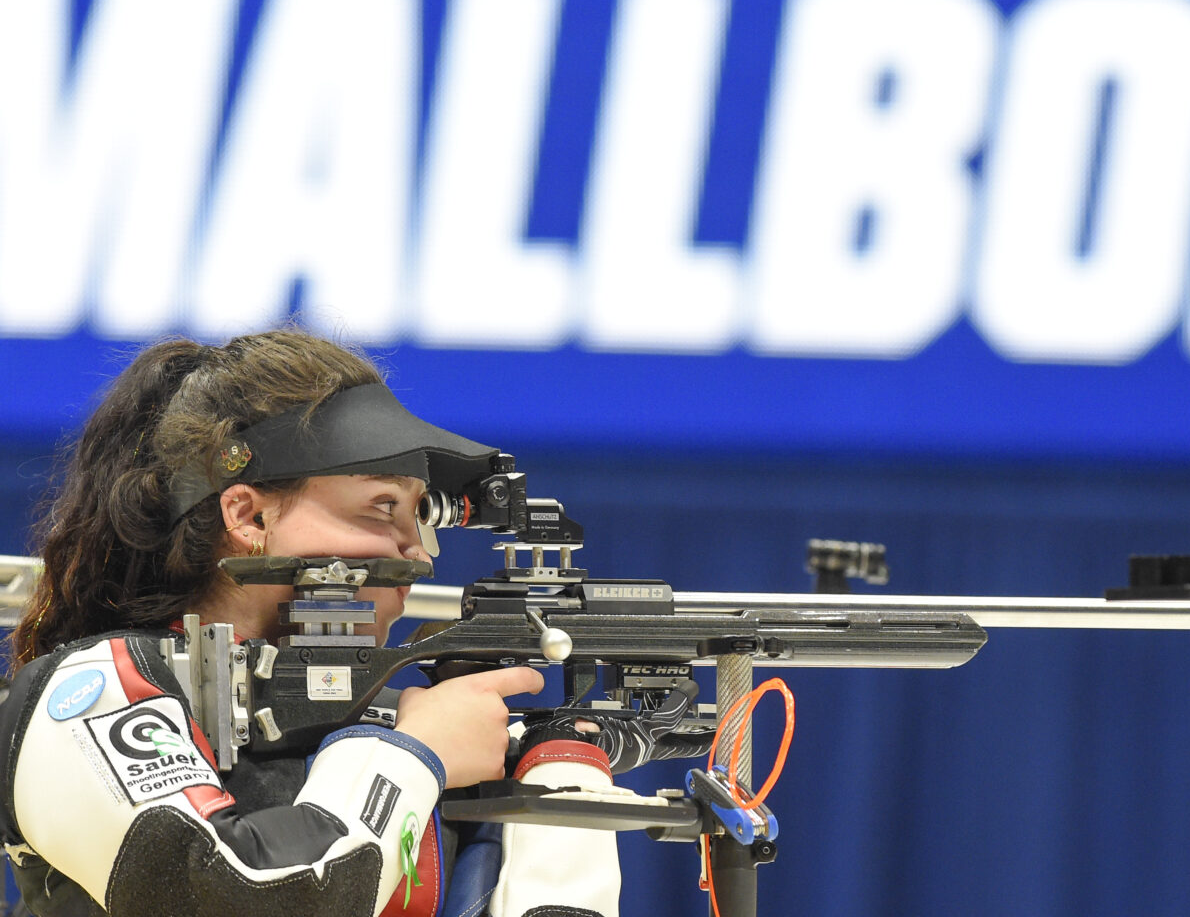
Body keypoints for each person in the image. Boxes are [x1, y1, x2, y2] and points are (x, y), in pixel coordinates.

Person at [0, 331, 683, 917]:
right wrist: (416, 755)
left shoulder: (389, 730)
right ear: (249, 517)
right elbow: (238, 895)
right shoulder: (96, 687)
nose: (414, 552)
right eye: (381, 508)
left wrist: (561, 791)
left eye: (419, 517)